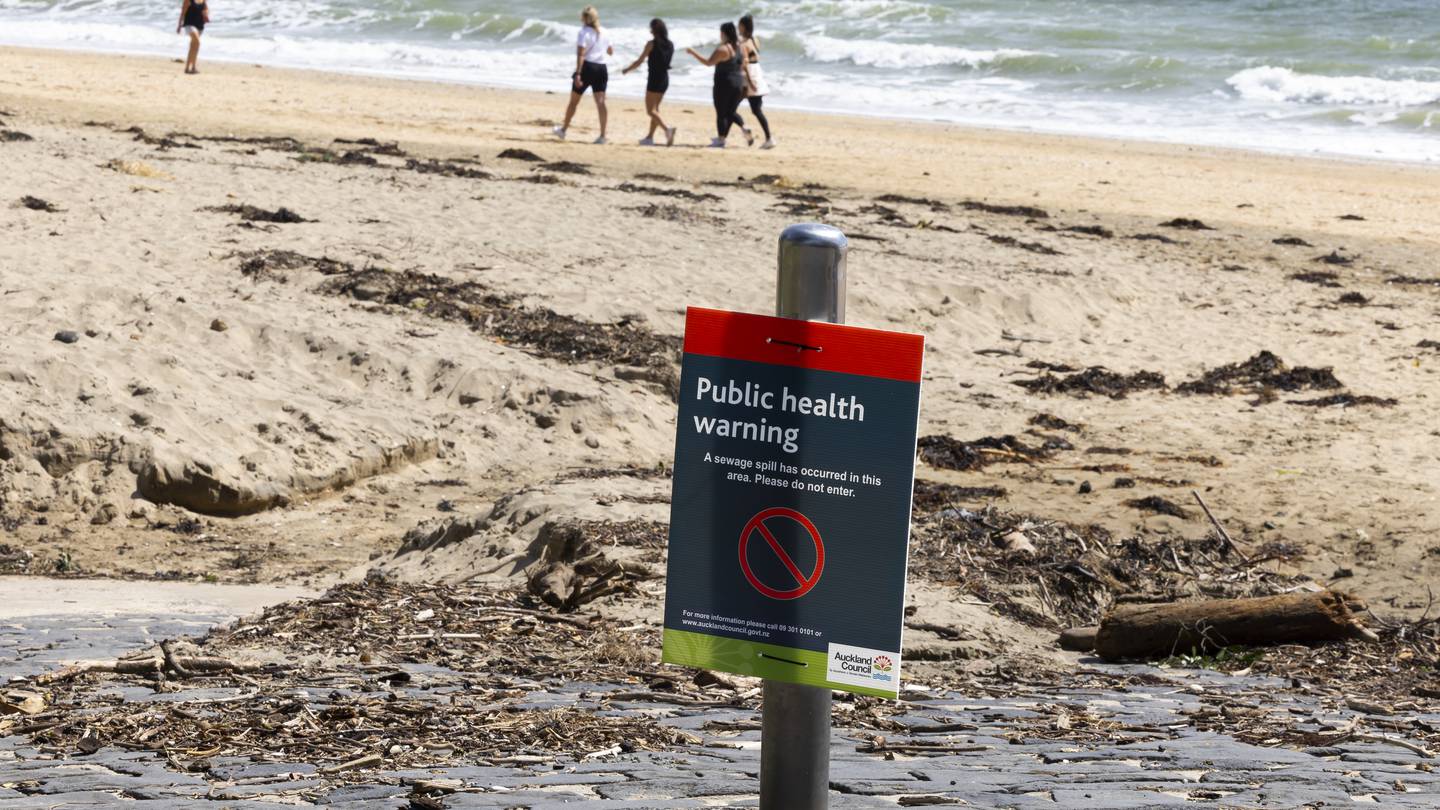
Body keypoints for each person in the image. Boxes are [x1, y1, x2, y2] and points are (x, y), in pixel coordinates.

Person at [553, 6, 613, 144]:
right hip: (601, 68)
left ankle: (563, 130)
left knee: (574, 102)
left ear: (584, 18)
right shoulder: (605, 32)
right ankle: (603, 136)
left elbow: (581, 54)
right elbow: (610, 51)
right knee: (601, 103)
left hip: (587, 68)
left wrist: (579, 73)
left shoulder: (583, 32)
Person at [687, 22, 752, 149]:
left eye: (721, 32)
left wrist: (693, 52)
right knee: (731, 112)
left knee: (721, 113)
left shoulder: (723, 49)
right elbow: (744, 64)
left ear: (724, 33)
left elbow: (708, 62)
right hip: (739, 83)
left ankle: (721, 139)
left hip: (724, 83)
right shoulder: (740, 47)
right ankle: (744, 128)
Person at [621, 18, 677, 147]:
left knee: (650, 111)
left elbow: (639, 61)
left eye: (651, 28)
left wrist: (627, 69)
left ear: (654, 30)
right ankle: (650, 138)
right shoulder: (670, 44)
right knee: (655, 109)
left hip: (654, 79)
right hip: (665, 79)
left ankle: (667, 130)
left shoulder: (651, 44)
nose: (650, 30)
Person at [739, 14, 776, 149]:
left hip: (750, 76)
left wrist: (749, 82)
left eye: (739, 26)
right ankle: (768, 137)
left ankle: (765, 137)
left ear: (743, 27)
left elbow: (745, 64)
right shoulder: (755, 40)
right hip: (757, 73)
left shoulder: (744, 43)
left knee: (731, 107)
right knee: (756, 110)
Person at [176, 0, 208, 75]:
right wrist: (179, 25)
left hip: (200, 25)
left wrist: (206, 14)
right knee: (197, 42)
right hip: (189, 24)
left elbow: (206, 8)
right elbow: (183, 12)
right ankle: (191, 67)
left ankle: (190, 68)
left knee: (194, 46)